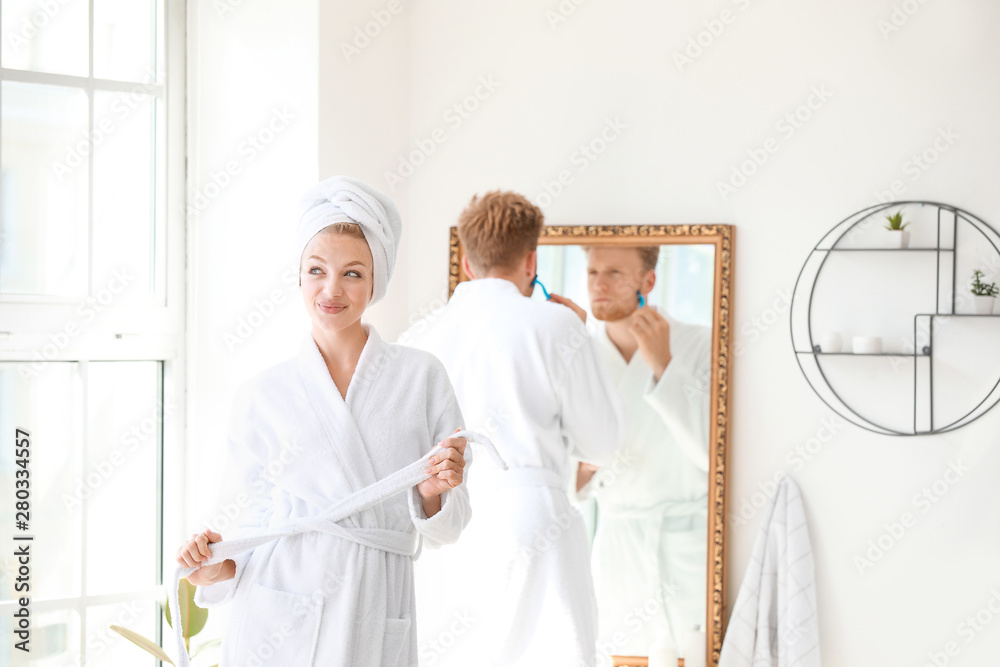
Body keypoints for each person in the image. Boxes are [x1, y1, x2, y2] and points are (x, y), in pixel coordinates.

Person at [174, 176, 472, 667]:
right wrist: (208, 570)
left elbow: (449, 528)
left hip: (376, 601)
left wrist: (434, 490)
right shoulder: (262, 394)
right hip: (279, 606)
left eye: (353, 273)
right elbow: (243, 527)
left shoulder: (421, 377)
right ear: (298, 276)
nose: (331, 289)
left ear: (376, 281)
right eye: (316, 270)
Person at [401, 190, 624, 666]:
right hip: (534, 519)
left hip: (445, 531)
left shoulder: (418, 337)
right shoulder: (556, 324)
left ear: (465, 261)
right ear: (532, 259)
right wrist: (580, 334)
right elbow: (603, 443)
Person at [578, 244, 711, 657]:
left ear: (648, 282)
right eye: (592, 271)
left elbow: (715, 454)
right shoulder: (579, 357)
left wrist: (664, 365)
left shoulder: (701, 344)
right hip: (618, 549)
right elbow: (568, 477)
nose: (598, 284)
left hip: (688, 544)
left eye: (615, 273)